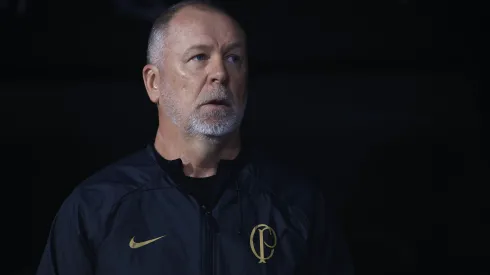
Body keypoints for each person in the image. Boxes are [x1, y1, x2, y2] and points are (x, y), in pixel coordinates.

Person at [36, 1, 354, 274]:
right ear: (153, 82)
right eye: (199, 57)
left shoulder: (297, 205)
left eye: (234, 58)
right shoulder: (94, 208)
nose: (220, 73)